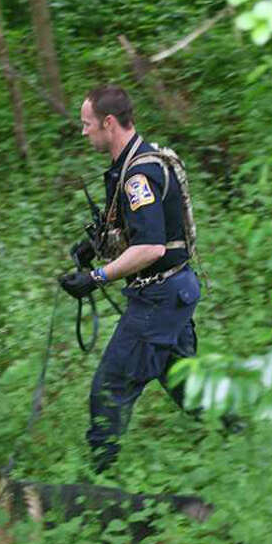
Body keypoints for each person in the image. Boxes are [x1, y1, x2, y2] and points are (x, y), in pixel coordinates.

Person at [58, 85, 202, 474]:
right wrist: (93, 246)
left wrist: (96, 276)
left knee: (109, 391)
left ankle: (98, 487)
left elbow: (151, 247)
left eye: (87, 124)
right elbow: (139, 229)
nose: (83, 131)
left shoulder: (138, 174)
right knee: (186, 384)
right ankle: (237, 438)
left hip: (158, 298)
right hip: (175, 291)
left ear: (108, 123)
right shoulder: (135, 161)